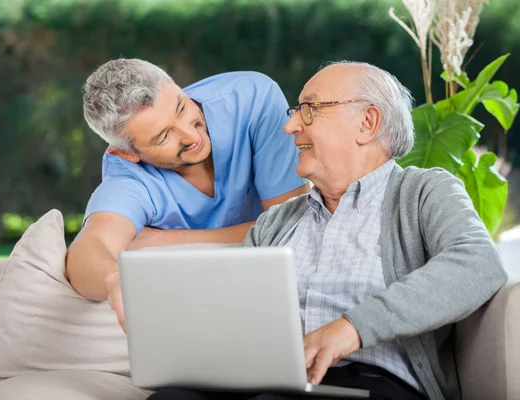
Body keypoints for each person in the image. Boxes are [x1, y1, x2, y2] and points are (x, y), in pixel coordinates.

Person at [147, 62, 508, 400]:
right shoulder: (276, 222)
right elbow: (237, 315)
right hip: (271, 381)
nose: (290, 127)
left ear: (367, 123)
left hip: (374, 384)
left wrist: (352, 328)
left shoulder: (423, 192)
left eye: (310, 109)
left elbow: (479, 264)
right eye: (295, 112)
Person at [66, 58, 309, 329]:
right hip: (199, 310)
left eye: (182, 107)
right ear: (127, 153)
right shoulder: (127, 180)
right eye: (162, 137)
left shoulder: (253, 99)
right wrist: (115, 282)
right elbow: (88, 249)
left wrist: (166, 240)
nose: (190, 136)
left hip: (278, 289)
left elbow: (294, 228)